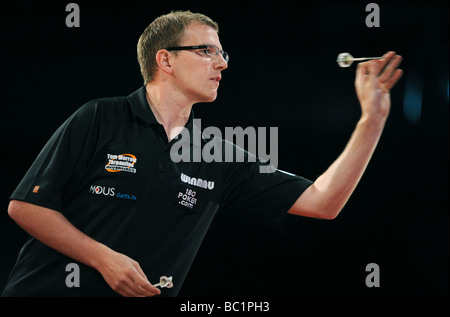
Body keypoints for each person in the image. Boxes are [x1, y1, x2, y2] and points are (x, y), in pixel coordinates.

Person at [2, 10, 402, 297]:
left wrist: (372, 120)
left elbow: (323, 202)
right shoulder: (101, 117)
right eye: (207, 51)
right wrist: (103, 258)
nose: (222, 64)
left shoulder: (217, 154)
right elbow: (26, 207)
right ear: (166, 60)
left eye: (223, 54)